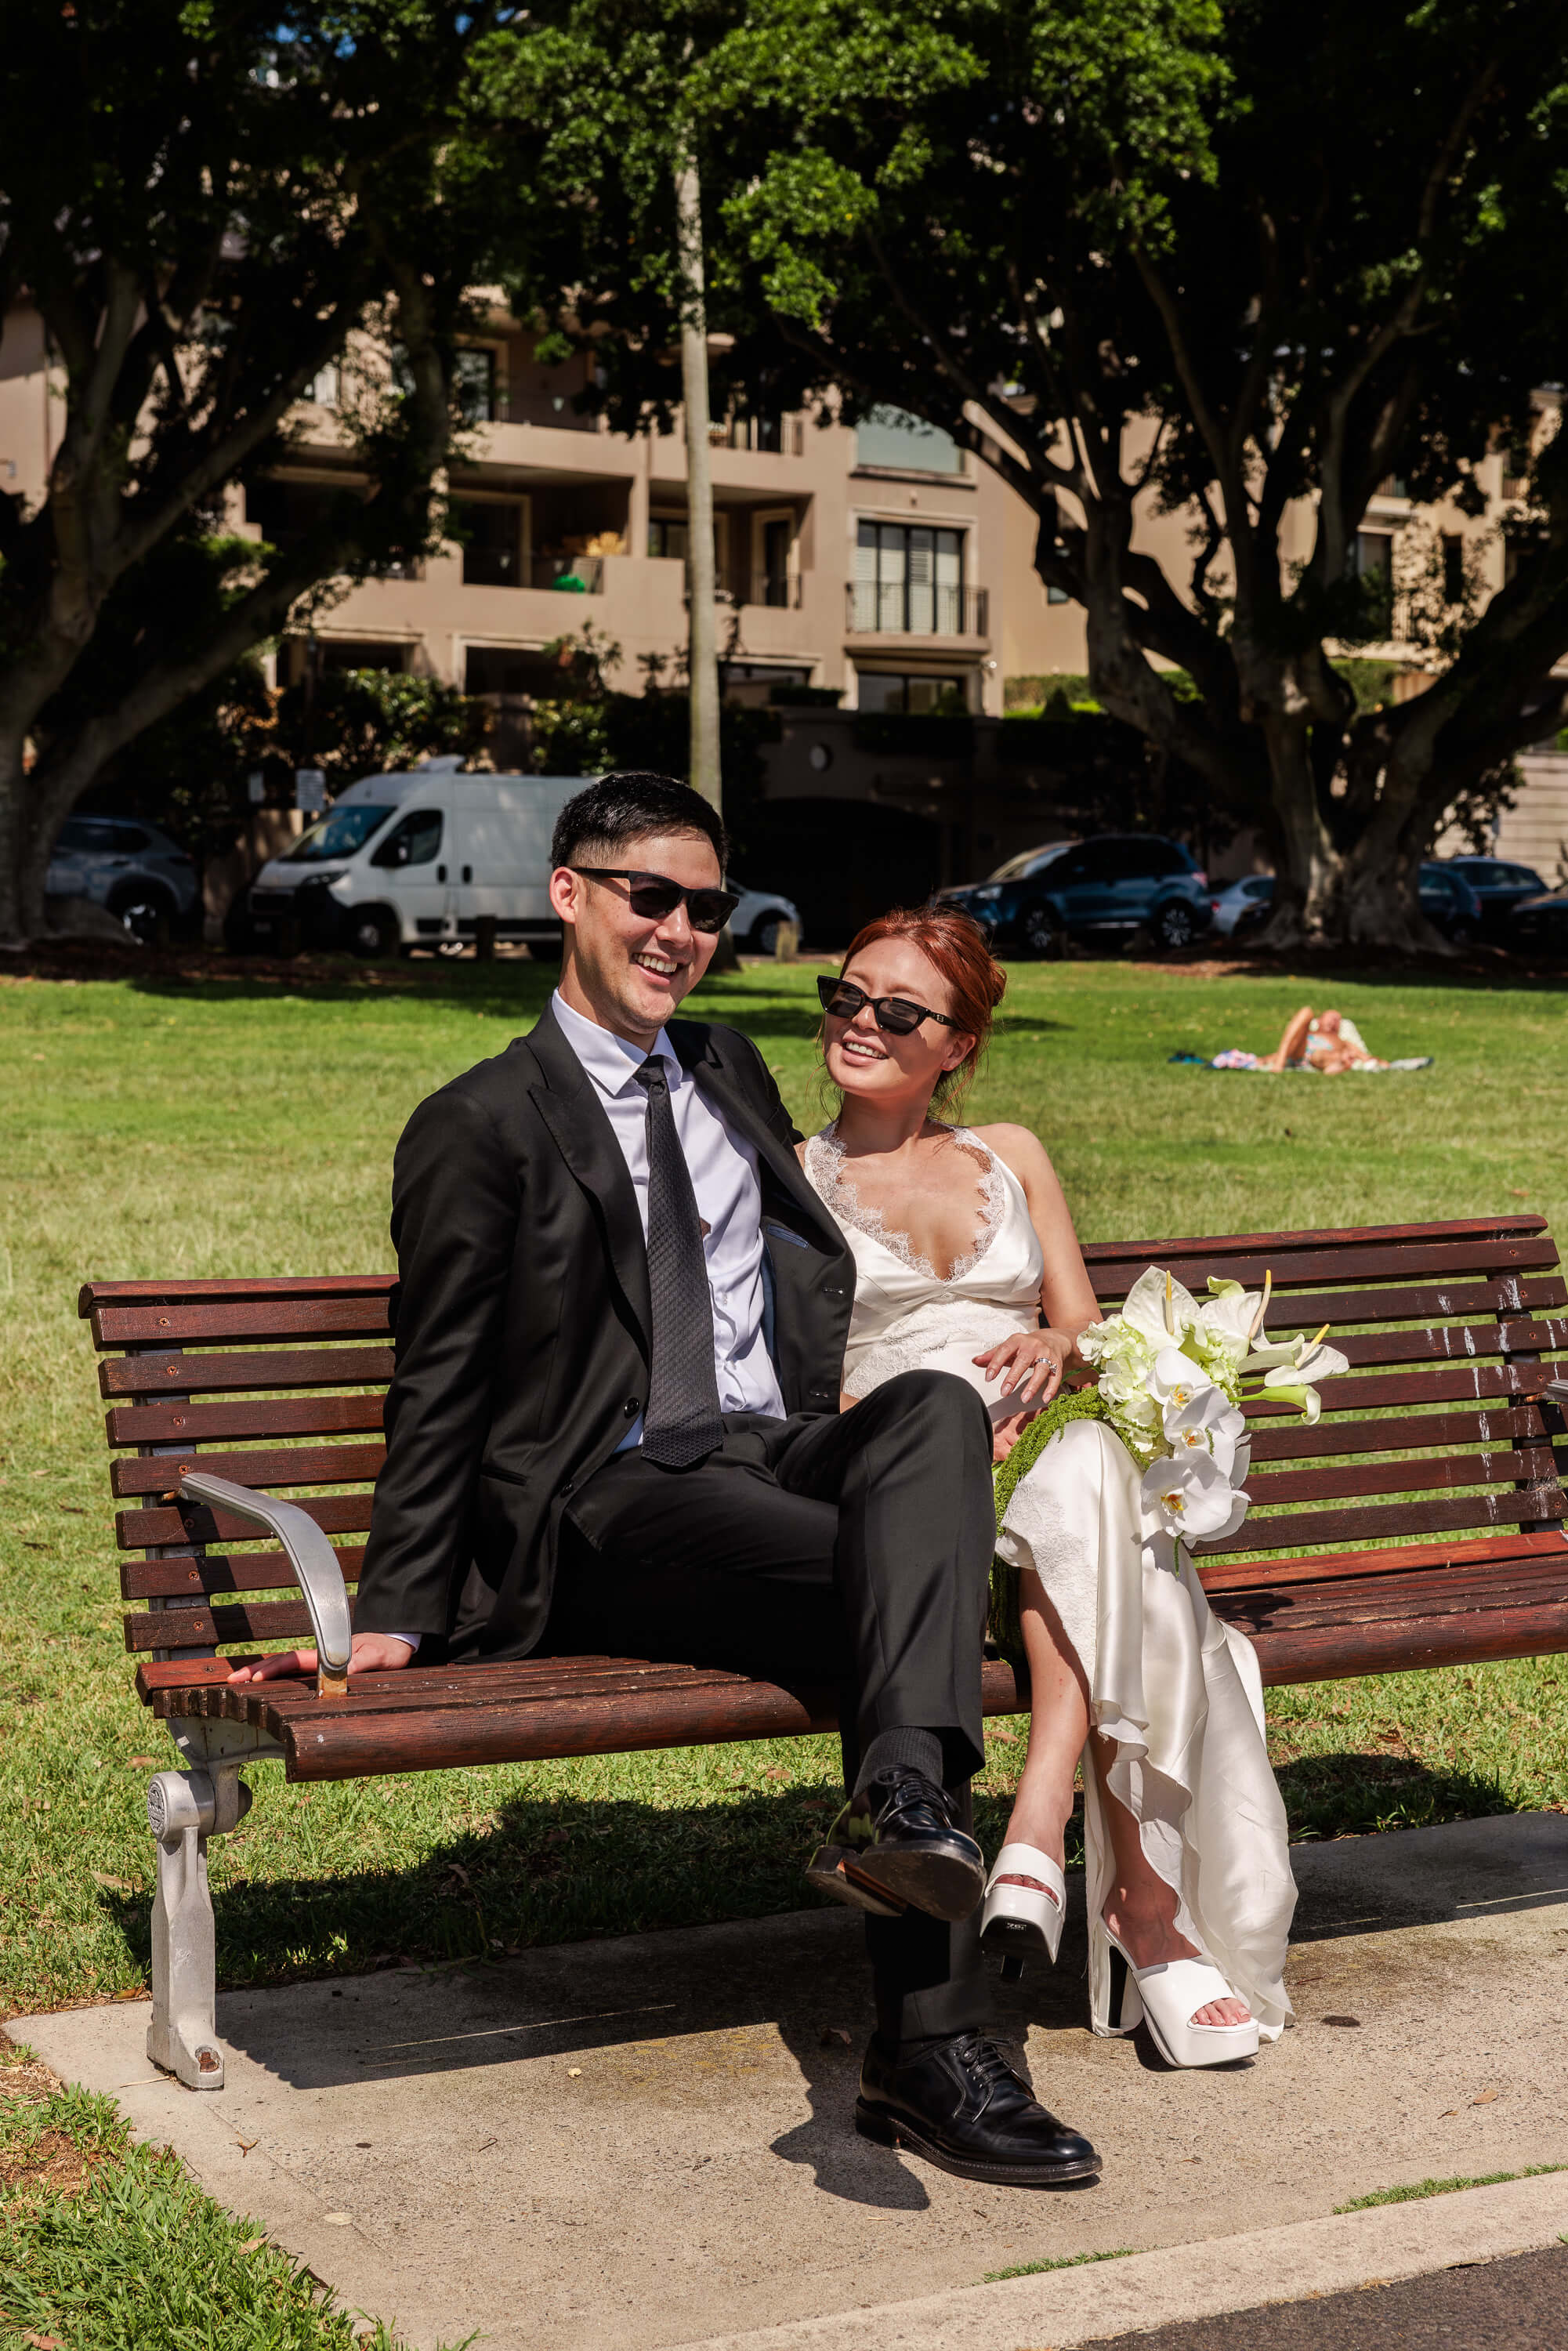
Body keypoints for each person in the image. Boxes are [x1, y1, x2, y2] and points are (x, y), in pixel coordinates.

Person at [230, 773, 1100, 2190]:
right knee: (908, 1601)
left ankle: (903, 1816)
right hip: (613, 1496)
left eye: (704, 906)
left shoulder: (730, 1069)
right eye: (651, 896)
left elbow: (811, 1260)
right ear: (567, 893)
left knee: (935, 1406)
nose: (682, 929)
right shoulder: (483, 1121)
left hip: (770, 1449)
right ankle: (932, 2042)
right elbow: (438, 1372)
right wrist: (396, 1598)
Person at [800, 905, 1297, 2070]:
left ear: (957, 1043)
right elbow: (790, 1389)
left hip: (1056, 1452)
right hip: (915, 1497)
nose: (859, 1023)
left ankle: (1036, 1836)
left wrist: (1055, 1355)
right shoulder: (790, 1178)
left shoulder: (1008, 1154)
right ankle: (1141, 1915)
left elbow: (1082, 1322)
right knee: (1114, 1523)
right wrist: (916, 1431)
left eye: (896, 1010)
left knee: (1082, 1473)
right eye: (845, 995)